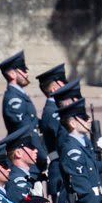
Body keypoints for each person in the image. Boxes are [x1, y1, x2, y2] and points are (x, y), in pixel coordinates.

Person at [0, 50, 48, 168]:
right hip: (24, 155)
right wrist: (42, 156)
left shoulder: (20, 95)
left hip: (31, 152)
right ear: (12, 74)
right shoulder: (14, 100)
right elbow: (26, 131)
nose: (26, 74)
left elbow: (34, 122)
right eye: (23, 71)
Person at [35, 63, 67, 196]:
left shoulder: (58, 110)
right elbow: (64, 141)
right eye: (63, 83)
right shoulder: (52, 112)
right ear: (54, 88)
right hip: (60, 167)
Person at [2, 125, 43, 203]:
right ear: (18, 153)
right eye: (31, 147)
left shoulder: (25, 176)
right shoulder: (17, 182)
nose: (36, 150)